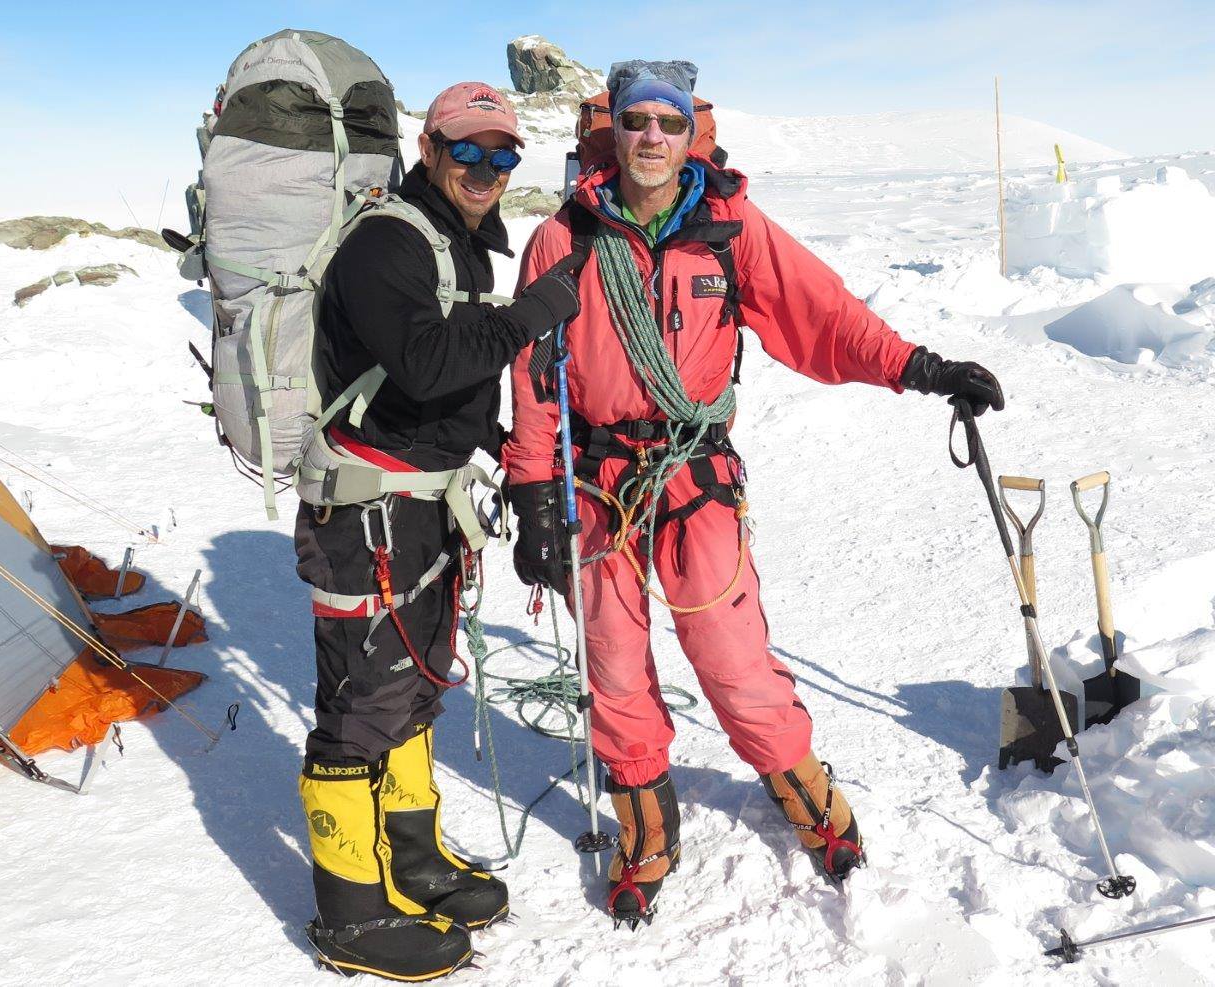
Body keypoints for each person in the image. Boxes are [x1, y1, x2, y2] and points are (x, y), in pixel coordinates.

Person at [504, 60, 1003, 927]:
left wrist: (919, 368)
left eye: (666, 122)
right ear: (612, 130)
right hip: (596, 482)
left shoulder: (727, 228)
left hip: (695, 475)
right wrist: (533, 492)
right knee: (615, 667)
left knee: (734, 661)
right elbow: (535, 377)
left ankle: (810, 797)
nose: (650, 138)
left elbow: (823, 316)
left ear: (688, 131)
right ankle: (646, 829)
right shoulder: (566, 239)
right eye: (635, 122)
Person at [295, 81, 579, 979]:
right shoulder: (386, 240)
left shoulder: (451, 241)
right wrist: (530, 315)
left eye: (504, 156)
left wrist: (493, 439)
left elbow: (441, 376)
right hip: (369, 511)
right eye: (469, 152)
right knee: (358, 707)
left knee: (415, 683)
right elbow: (423, 364)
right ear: (430, 149)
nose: (486, 171)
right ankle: (349, 915)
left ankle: (411, 861)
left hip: (425, 503)